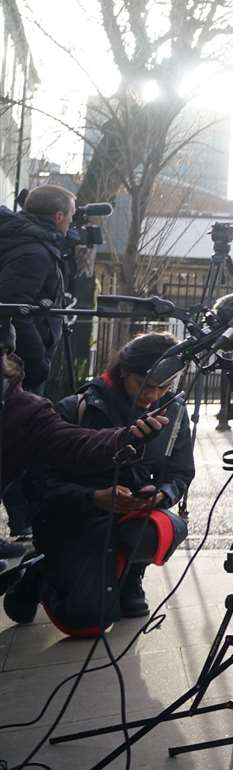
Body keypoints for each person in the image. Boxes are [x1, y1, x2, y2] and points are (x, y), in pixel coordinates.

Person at [4, 334, 191, 634]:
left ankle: (130, 577)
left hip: (133, 515)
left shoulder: (175, 412)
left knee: (162, 529)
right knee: (86, 623)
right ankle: (39, 571)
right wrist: (93, 497)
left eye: (164, 387)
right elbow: (37, 485)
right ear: (123, 373)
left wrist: (160, 494)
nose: (154, 395)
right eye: (144, 384)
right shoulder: (75, 407)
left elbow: (181, 473)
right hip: (77, 519)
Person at [0, 185, 74, 537]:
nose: (72, 223)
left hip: (16, 361)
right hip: (18, 366)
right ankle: (24, 523)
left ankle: (23, 522)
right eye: (70, 215)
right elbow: (14, 306)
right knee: (17, 443)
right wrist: (36, 360)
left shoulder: (25, 241)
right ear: (59, 216)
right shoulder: (34, 251)